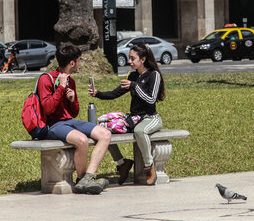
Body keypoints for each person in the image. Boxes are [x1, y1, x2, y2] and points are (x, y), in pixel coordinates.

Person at [37, 43, 112, 194]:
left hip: (69, 122)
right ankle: (81, 178)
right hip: (53, 125)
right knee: (82, 140)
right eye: (79, 60)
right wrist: (60, 88)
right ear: (72, 63)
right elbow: (47, 108)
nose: (79, 63)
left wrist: (72, 100)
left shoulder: (71, 81)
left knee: (105, 134)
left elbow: (74, 113)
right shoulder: (46, 79)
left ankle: (87, 178)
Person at [89, 44, 165, 185]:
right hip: (134, 118)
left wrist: (134, 86)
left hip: (150, 118)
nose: (129, 61)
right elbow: (115, 93)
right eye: (129, 58)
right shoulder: (133, 75)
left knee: (140, 131)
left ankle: (149, 166)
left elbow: (151, 99)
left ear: (143, 59)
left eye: (132, 58)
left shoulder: (154, 75)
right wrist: (97, 93)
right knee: (104, 130)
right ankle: (122, 163)